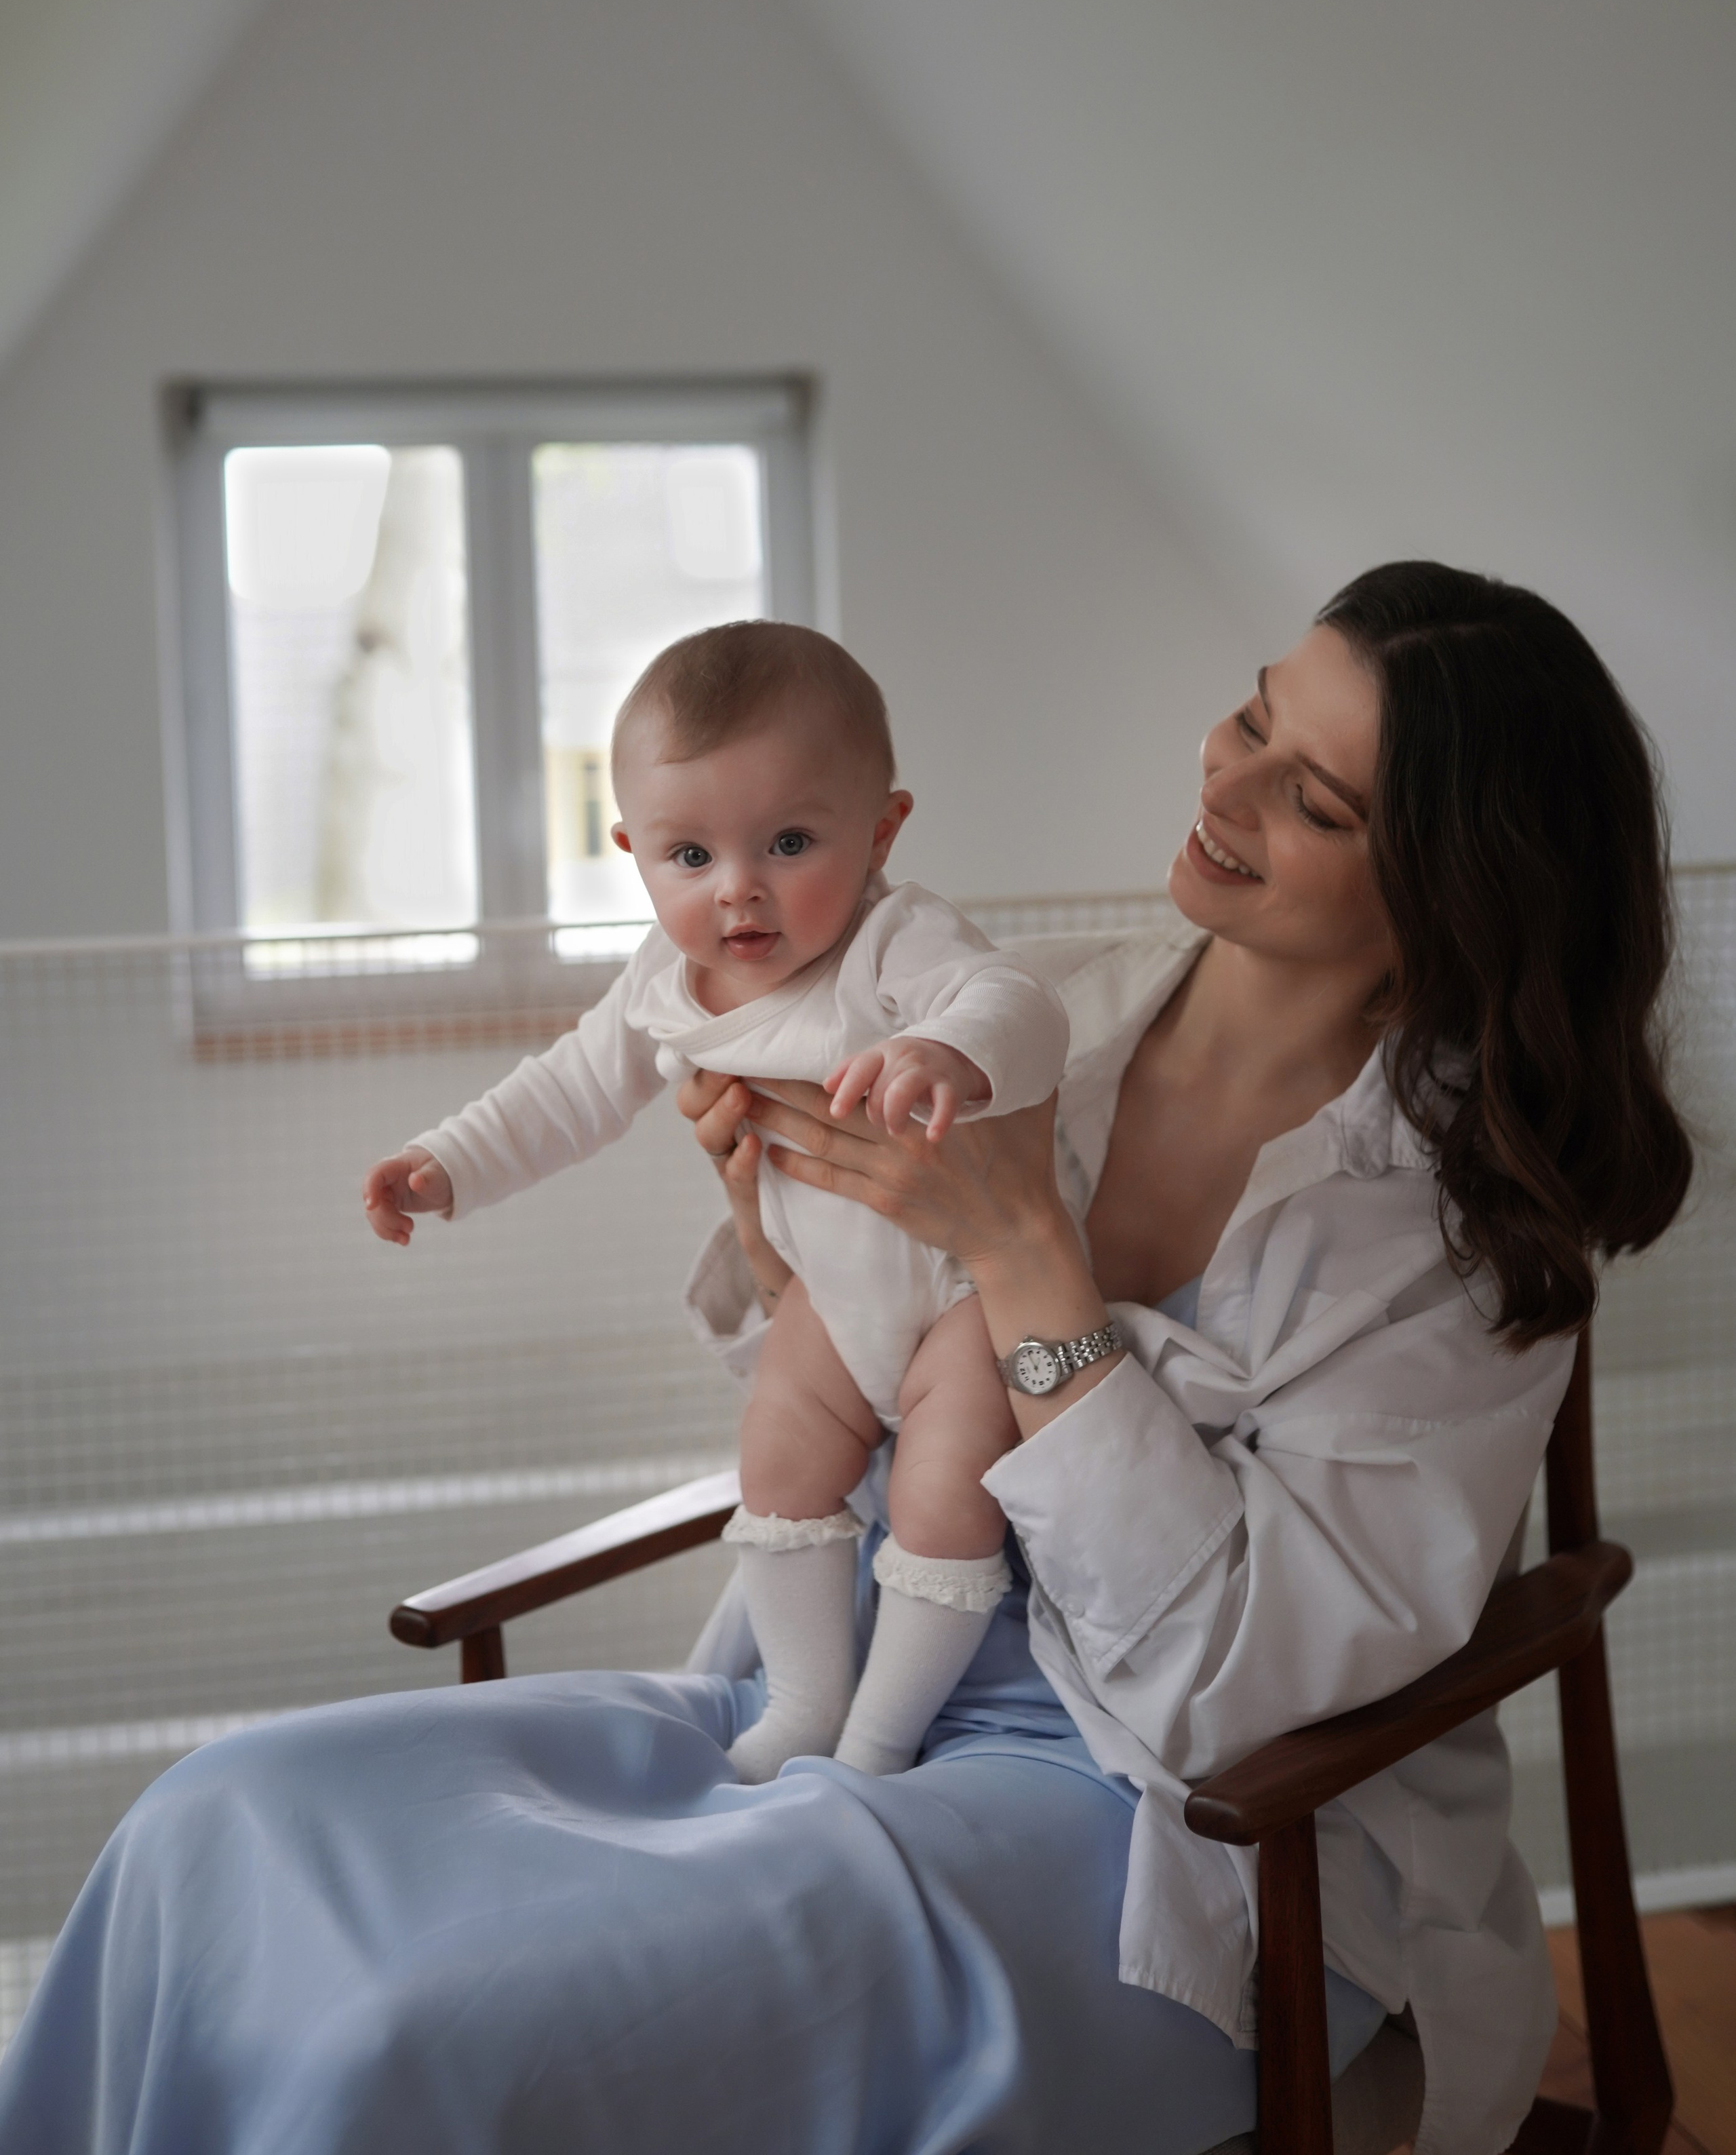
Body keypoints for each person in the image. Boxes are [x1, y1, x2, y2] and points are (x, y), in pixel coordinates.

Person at [0, 563, 1691, 2155]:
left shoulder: (1457, 1242)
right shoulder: (1042, 1019)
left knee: (430, 2031)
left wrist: (1029, 1255)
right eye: (1252, 716)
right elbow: (836, 1368)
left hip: (1170, 1830)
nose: (1228, 788)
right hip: (851, 1677)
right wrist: (769, 1229)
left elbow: (1230, 1696)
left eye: (1312, 798)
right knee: (220, 1820)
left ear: (1452, 890)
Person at [363, 621, 1069, 1783]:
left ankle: (883, 1738)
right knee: (779, 1460)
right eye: (690, 857)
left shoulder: (893, 940)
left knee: (944, 1493)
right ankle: (802, 1699)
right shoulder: (662, 981)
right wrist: (448, 1163)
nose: (740, 888)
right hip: (831, 1302)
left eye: (790, 841)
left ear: (883, 827)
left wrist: (949, 1048)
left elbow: (1021, 1004)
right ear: (633, 850)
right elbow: (569, 1089)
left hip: (963, 1296)